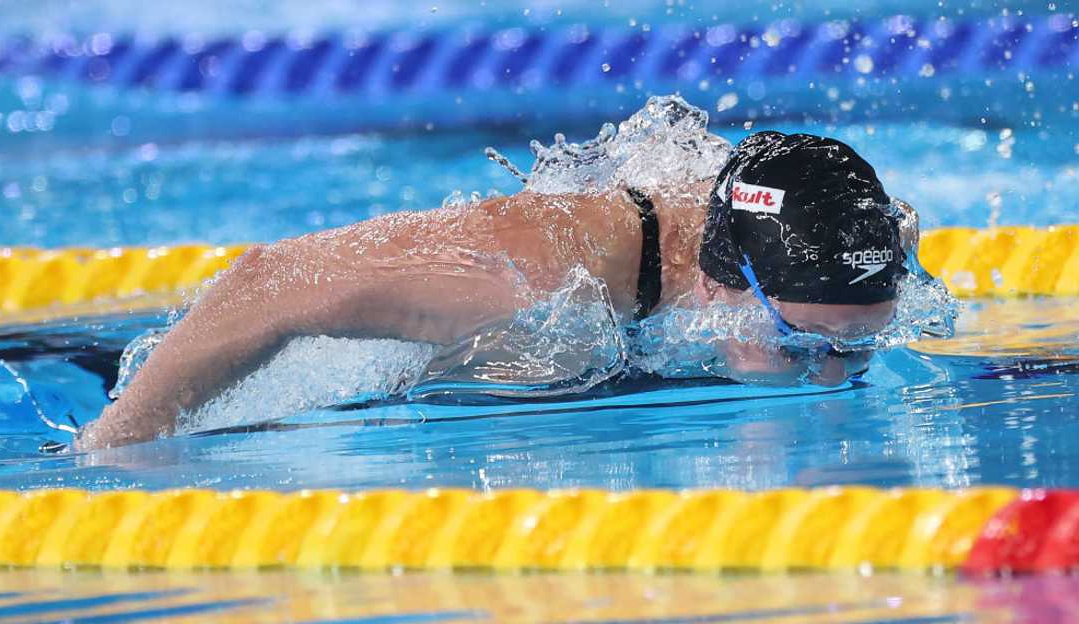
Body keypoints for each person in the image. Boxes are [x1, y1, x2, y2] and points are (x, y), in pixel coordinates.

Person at [77, 130, 916, 450]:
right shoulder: (535, 279)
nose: (832, 374)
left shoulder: (857, 241)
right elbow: (264, 286)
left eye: (858, 343)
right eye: (803, 342)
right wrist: (110, 452)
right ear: (716, 278)